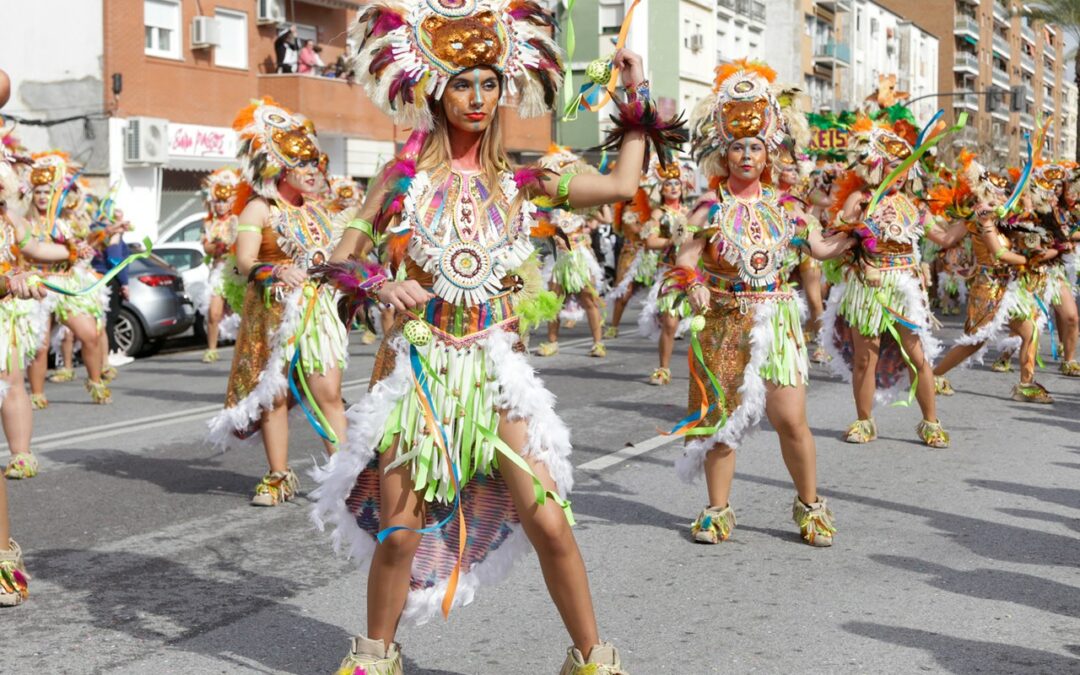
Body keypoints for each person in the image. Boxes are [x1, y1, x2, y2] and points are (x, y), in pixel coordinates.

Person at [310, 2, 681, 672]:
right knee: (399, 534)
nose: (477, 98)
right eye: (461, 84)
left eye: (488, 83)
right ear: (435, 90)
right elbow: (340, 260)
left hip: (494, 368)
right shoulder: (402, 180)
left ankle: (593, 658)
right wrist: (380, 283)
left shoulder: (525, 180)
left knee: (550, 518)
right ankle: (376, 654)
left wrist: (635, 93)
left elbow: (623, 184)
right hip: (419, 373)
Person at [665, 59, 852, 547]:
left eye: (754, 146)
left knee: (790, 419)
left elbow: (822, 249)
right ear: (722, 152)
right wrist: (693, 283)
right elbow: (684, 260)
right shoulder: (708, 207)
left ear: (769, 152)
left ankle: (811, 506)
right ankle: (717, 510)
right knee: (722, 423)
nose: (746, 155)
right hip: (723, 321)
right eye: (737, 147)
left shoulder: (788, 207)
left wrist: (858, 232)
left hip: (776, 320)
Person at [207, 97, 348, 507]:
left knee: (327, 392)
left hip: (318, 310)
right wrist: (277, 271)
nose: (312, 170)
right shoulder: (259, 207)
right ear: (279, 167)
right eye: (302, 163)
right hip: (273, 310)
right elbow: (244, 261)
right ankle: (278, 475)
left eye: (314, 162)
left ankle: (346, 477)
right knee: (275, 394)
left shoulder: (320, 212)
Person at [819, 116, 956, 448]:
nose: (900, 172)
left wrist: (976, 220)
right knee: (865, 358)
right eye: (893, 165)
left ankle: (931, 422)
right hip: (867, 286)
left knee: (916, 356)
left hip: (904, 287)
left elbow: (945, 238)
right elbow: (839, 234)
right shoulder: (860, 199)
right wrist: (847, 225)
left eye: (905, 167)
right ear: (876, 166)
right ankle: (864, 420)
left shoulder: (916, 205)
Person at [931, 156, 1052, 403]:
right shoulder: (980, 220)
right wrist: (1028, 260)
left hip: (1009, 287)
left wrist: (1037, 242)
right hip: (988, 288)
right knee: (976, 341)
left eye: (1002, 194)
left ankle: (1026, 385)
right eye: (996, 193)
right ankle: (933, 376)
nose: (1001, 197)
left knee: (1030, 331)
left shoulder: (1001, 220)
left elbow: (1024, 234)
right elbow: (999, 253)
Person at [24, 152, 111, 406]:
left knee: (90, 334)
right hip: (38, 286)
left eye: (47, 192)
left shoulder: (63, 224)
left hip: (64, 284)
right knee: (39, 346)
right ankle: (37, 395)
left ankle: (96, 383)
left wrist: (81, 250)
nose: (42, 197)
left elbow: (80, 247)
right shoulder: (25, 224)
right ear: (31, 194)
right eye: (38, 192)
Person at [534, 146, 607, 358]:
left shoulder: (581, 201)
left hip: (578, 256)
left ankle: (598, 343)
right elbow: (540, 225)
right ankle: (552, 342)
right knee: (554, 300)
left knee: (588, 299)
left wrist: (600, 195)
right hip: (559, 257)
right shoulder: (549, 202)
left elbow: (607, 219)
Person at [636, 156, 696, 385]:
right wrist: (671, 240)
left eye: (676, 183)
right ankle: (663, 369)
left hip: (695, 273)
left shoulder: (691, 212)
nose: (673, 187)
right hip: (671, 274)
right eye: (668, 184)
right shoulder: (657, 215)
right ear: (661, 189)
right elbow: (650, 242)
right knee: (670, 323)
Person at [198, 168, 241, 363]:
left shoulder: (237, 220)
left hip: (237, 270)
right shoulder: (209, 224)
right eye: (218, 201)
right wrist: (218, 246)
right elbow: (206, 247)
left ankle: (245, 350)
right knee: (213, 313)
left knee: (242, 313)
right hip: (218, 271)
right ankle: (211, 349)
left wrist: (231, 246)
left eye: (225, 201)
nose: (221, 205)